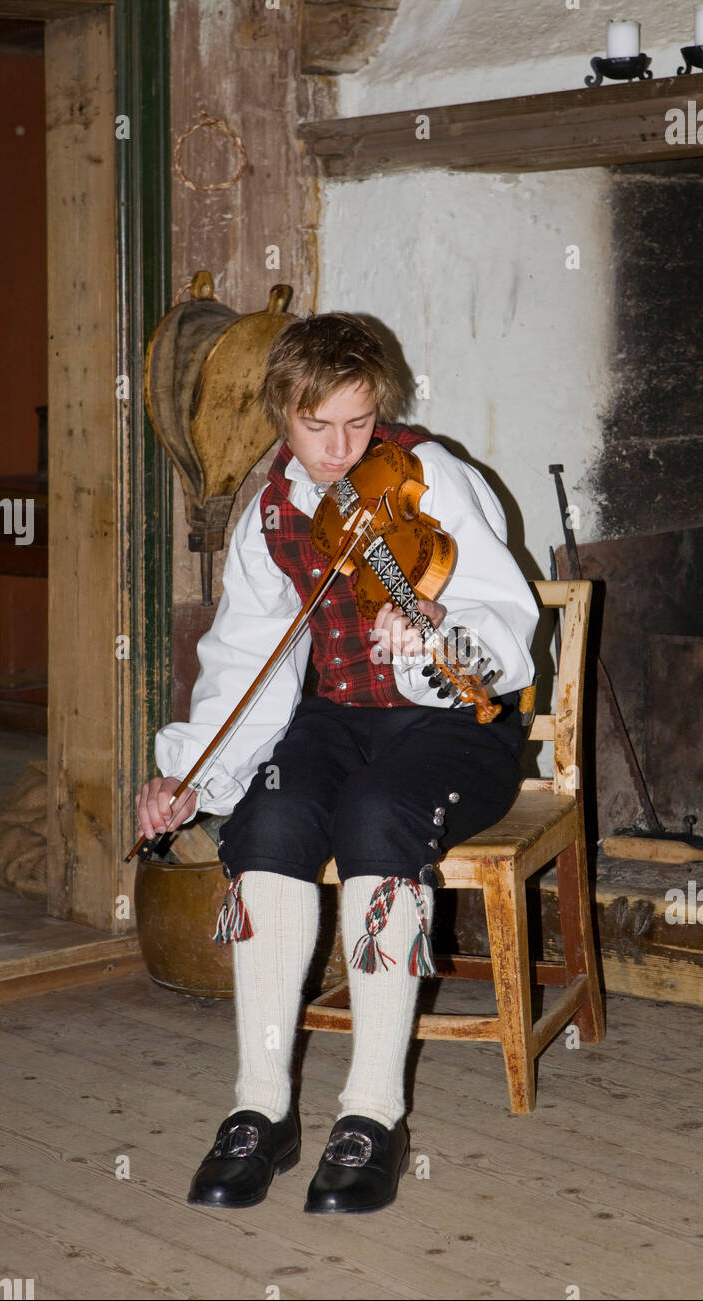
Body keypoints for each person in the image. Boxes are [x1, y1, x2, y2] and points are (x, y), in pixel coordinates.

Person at [135, 311, 538, 1214]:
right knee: (267, 821)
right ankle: (261, 1107)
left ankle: (373, 1115)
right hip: (341, 715)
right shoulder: (271, 510)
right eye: (319, 426)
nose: (340, 447)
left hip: (455, 727)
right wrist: (192, 775)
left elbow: (510, 629)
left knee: (373, 819)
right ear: (283, 412)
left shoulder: (429, 476)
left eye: (358, 423)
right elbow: (246, 661)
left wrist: (438, 633)